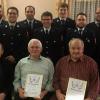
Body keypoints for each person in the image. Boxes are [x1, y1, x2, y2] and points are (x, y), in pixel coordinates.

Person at [87, 8, 100, 74]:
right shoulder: (89, 26)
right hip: (92, 57)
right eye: (97, 13)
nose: (98, 14)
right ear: (94, 14)